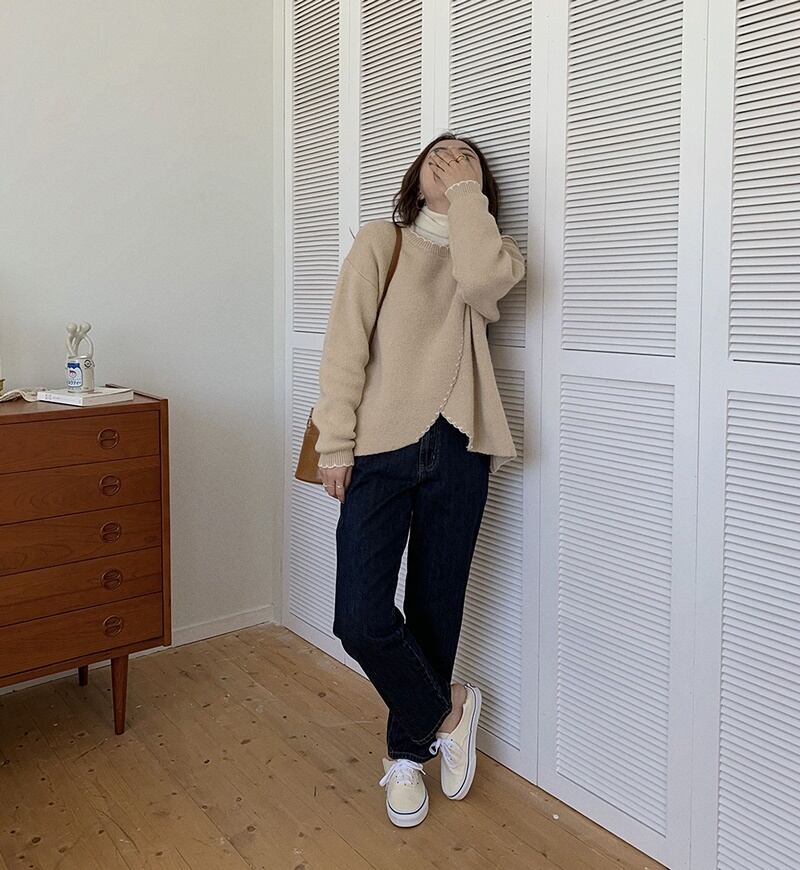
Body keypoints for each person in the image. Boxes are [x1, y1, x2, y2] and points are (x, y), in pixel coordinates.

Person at [311, 132, 525, 827]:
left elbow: (485, 284)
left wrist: (466, 199)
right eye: (438, 157)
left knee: (436, 609)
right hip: (378, 449)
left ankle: (405, 757)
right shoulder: (383, 241)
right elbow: (344, 345)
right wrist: (335, 443)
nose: (449, 162)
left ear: (477, 184)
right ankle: (448, 709)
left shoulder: (485, 250)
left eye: (464, 160)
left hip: (459, 448)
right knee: (360, 617)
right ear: (415, 174)